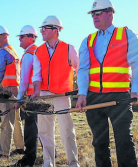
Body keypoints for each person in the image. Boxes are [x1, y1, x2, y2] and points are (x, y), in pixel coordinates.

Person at [76, 0, 138, 166]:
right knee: (99, 143)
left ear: (110, 14)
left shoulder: (127, 35)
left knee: (124, 141)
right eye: (93, 14)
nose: (94, 16)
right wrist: (82, 94)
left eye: (98, 13)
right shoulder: (88, 40)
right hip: (94, 98)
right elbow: (83, 69)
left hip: (120, 97)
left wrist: (135, 90)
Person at [31, 15, 80, 167]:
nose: (42, 32)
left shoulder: (69, 48)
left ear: (55, 30)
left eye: (44, 28)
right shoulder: (38, 51)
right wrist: (37, 92)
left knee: (67, 130)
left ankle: (73, 163)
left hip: (62, 96)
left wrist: (83, 92)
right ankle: (48, 163)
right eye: (42, 29)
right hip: (44, 95)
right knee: (44, 132)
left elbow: (80, 69)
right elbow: (37, 74)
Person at [0, 25, 24, 161]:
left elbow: (0, 73)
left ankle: (3, 153)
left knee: (6, 122)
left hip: (6, 91)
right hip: (15, 90)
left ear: (5, 36)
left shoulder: (3, 52)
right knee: (16, 119)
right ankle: (20, 147)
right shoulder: (13, 50)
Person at [12, 25, 38, 167]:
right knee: (43, 130)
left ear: (30, 37)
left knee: (30, 130)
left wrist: (19, 100)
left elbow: (24, 80)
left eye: (22, 37)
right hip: (39, 96)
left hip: (31, 97)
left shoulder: (29, 54)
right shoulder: (39, 51)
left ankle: (28, 160)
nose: (20, 40)